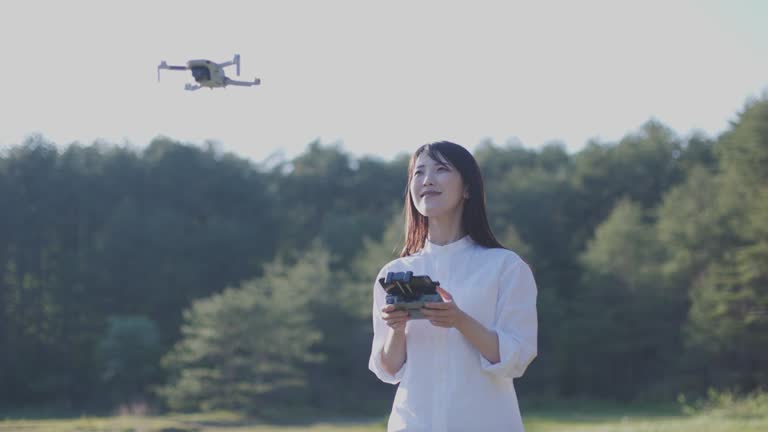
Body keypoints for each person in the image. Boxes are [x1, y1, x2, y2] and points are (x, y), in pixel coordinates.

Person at [368, 141, 538, 431]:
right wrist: (397, 329)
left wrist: (458, 320)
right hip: (412, 423)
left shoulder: (505, 267)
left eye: (441, 169)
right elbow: (390, 368)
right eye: (418, 173)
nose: (427, 180)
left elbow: (516, 359)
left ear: (468, 189)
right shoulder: (395, 272)